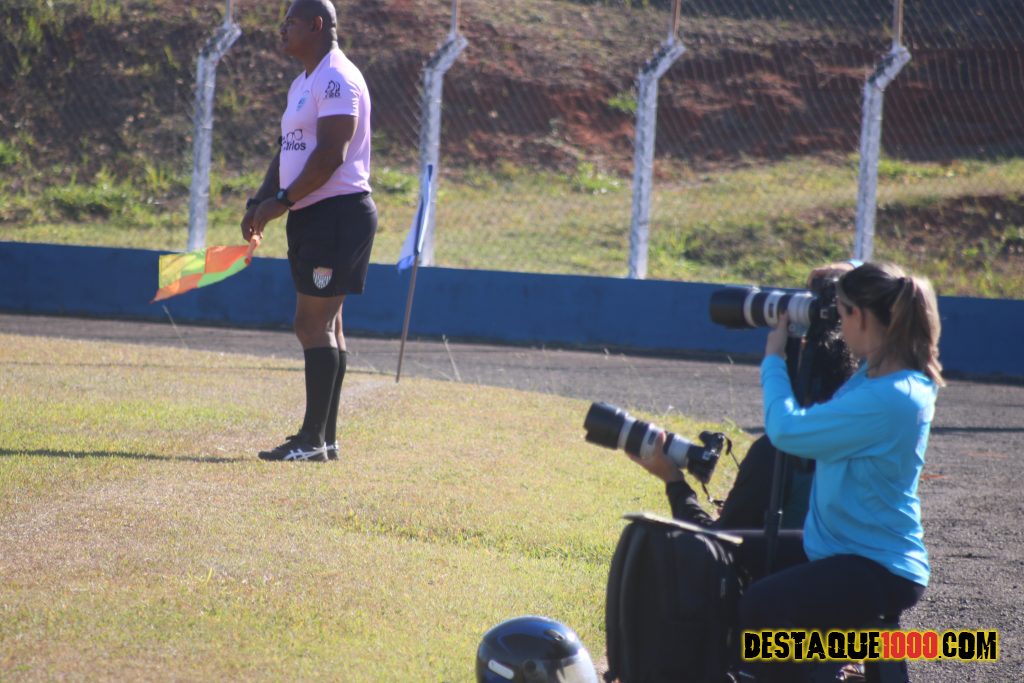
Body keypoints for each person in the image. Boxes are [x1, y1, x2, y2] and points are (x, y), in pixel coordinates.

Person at [736, 262, 944, 682]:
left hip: (877, 565)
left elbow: (786, 431)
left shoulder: (890, 397)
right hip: (842, 547)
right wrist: (830, 292)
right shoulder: (882, 376)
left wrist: (773, 359)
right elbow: (878, 291)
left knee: (763, 605)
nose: (837, 323)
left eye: (841, 312)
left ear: (861, 317)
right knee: (729, 553)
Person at [241, 0, 376, 462]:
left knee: (311, 324)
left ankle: (311, 440)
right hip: (315, 214)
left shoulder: (336, 76)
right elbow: (290, 148)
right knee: (329, 325)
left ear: (317, 25)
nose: (282, 30)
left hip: (335, 214)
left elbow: (331, 154)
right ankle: (325, 440)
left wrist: (283, 201)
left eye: (290, 23)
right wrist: (260, 200)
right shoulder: (304, 81)